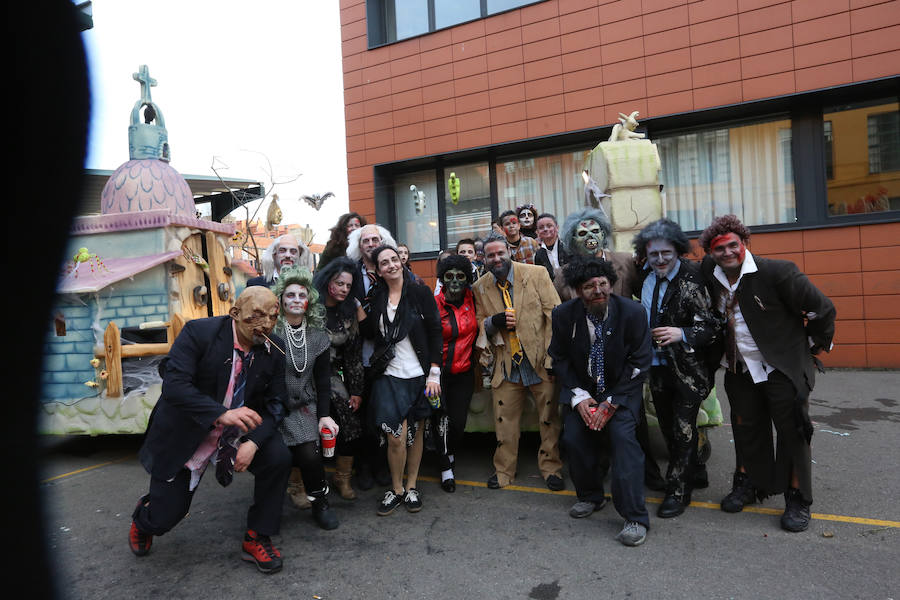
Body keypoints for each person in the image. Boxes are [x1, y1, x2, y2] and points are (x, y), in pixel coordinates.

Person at [128, 286, 291, 574]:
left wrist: (252, 443)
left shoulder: (273, 349)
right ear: (235, 313)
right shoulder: (199, 333)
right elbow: (175, 386)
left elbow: (276, 404)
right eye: (256, 316)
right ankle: (146, 516)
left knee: (277, 457)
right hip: (191, 428)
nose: (265, 324)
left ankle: (257, 536)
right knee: (165, 517)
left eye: (273, 316)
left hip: (238, 429)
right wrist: (221, 414)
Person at [698, 215, 836, 532]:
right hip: (740, 367)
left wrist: (811, 347)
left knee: (794, 432)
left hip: (782, 367)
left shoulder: (778, 272)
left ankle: (799, 498)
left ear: (744, 243)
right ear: (710, 253)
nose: (728, 252)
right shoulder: (710, 273)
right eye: (719, 248)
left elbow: (822, 309)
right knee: (747, 429)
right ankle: (750, 486)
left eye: (734, 245)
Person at [557, 207, 667, 491]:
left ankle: (649, 474)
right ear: (572, 239)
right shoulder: (563, 275)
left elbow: (646, 295)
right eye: (582, 233)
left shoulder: (625, 262)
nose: (591, 237)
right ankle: (597, 477)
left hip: (624, 357)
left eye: (595, 231)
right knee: (588, 423)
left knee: (633, 422)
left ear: (604, 233)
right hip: (588, 360)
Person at [548, 256, 652, 547]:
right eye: (590, 286)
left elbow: (640, 362)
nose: (598, 291)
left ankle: (635, 517)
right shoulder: (563, 315)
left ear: (611, 284)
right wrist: (580, 398)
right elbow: (559, 358)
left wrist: (610, 403)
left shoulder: (632, 313)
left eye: (603, 284)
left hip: (621, 392)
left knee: (622, 440)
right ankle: (591, 496)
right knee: (574, 437)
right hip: (583, 391)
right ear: (578, 291)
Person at [632, 219, 722, 518]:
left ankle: (678, 492)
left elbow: (713, 325)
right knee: (670, 427)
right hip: (657, 367)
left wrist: (681, 333)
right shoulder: (644, 275)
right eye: (653, 253)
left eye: (666, 253)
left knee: (682, 431)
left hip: (689, 368)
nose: (660, 259)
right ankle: (696, 471)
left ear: (678, 250)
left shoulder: (693, 277)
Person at [472, 232, 564, 491]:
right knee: (504, 421)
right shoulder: (480, 286)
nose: (496, 258)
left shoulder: (536, 274)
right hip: (507, 363)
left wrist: (552, 357)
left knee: (548, 418)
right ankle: (503, 471)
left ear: (509, 252)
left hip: (539, 359)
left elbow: (554, 316)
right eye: (490, 255)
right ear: (484, 259)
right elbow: (480, 322)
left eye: (500, 253)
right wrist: (493, 322)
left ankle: (551, 469)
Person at [359, 245, 442, 516]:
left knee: (416, 432)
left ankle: (412, 486)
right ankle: (396, 489)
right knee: (396, 436)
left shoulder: (420, 292)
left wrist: (434, 372)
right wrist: (357, 307)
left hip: (419, 374)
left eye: (394, 259)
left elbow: (434, 331)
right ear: (379, 270)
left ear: (402, 261)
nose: (391, 265)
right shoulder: (378, 295)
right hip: (389, 374)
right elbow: (371, 331)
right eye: (384, 263)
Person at [272, 267, 340, 531]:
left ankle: (320, 503)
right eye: (290, 294)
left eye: (302, 294)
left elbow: (323, 382)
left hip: (305, 407)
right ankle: (270, 508)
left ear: (309, 300)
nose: (296, 299)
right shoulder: (271, 332)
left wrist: (324, 414)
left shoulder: (317, 336)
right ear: (280, 300)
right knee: (277, 459)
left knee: (310, 457)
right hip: (275, 408)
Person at [346, 223, 398, 489]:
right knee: (360, 416)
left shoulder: (392, 270)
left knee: (383, 414)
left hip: (385, 354)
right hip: (356, 354)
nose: (370, 244)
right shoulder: (350, 272)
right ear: (359, 245)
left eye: (375, 239)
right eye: (365, 240)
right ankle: (363, 468)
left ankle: (381, 466)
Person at [313, 257, 366, 501]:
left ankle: (341, 478)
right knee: (303, 430)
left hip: (334, 377)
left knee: (350, 425)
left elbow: (353, 356)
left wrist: (356, 391)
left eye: (348, 285)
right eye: (339, 283)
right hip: (303, 377)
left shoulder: (348, 313)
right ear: (327, 282)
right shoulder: (310, 308)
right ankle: (298, 485)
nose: (344, 289)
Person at [432, 254, 479, 493]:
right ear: (442, 279)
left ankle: (448, 451)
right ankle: (444, 467)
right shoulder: (435, 304)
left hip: (464, 372)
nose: (454, 281)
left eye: (460, 276)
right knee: (441, 419)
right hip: (438, 374)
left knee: (458, 422)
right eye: (449, 276)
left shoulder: (473, 298)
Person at [247, 233, 315, 288]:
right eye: (282, 251)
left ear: (299, 255)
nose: (288, 255)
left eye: (293, 251)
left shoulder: (310, 285)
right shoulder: (255, 285)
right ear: (274, 254)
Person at [534, 212, 571, 279]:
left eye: (549, 226)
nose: (545, 229)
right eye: (541, 227)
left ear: (557, 228)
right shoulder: (538, 255)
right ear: (537, 232)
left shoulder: (568, 246)